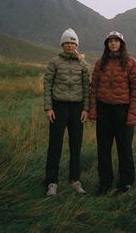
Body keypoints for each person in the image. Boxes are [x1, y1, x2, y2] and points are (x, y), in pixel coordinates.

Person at [89, 31, 136, 195]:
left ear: (121, 44)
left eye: (116, 41)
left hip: (123, 111)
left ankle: (126, 184)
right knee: (103, 149)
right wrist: (93, 110)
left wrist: (132, 115)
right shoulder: (100, 63)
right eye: (110, 41)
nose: (113, 43)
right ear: (107, 44)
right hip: (104, 110)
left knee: (124, 148)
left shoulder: (131, 63)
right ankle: (105, 183)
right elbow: (93, 88)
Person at [44, 28, 90, 196]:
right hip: (58, 107)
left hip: (77, 108)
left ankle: (74, 179)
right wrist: (48, 107)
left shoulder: (83, 64)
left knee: (76, 145)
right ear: (62, 44)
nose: (70, 45)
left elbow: (87, 87)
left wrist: (86, 108)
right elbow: (47, 84)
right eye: (67, 42)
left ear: (76, 45)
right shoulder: (54, 62)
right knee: (54, 145)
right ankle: (51, 183)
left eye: (73, 42)